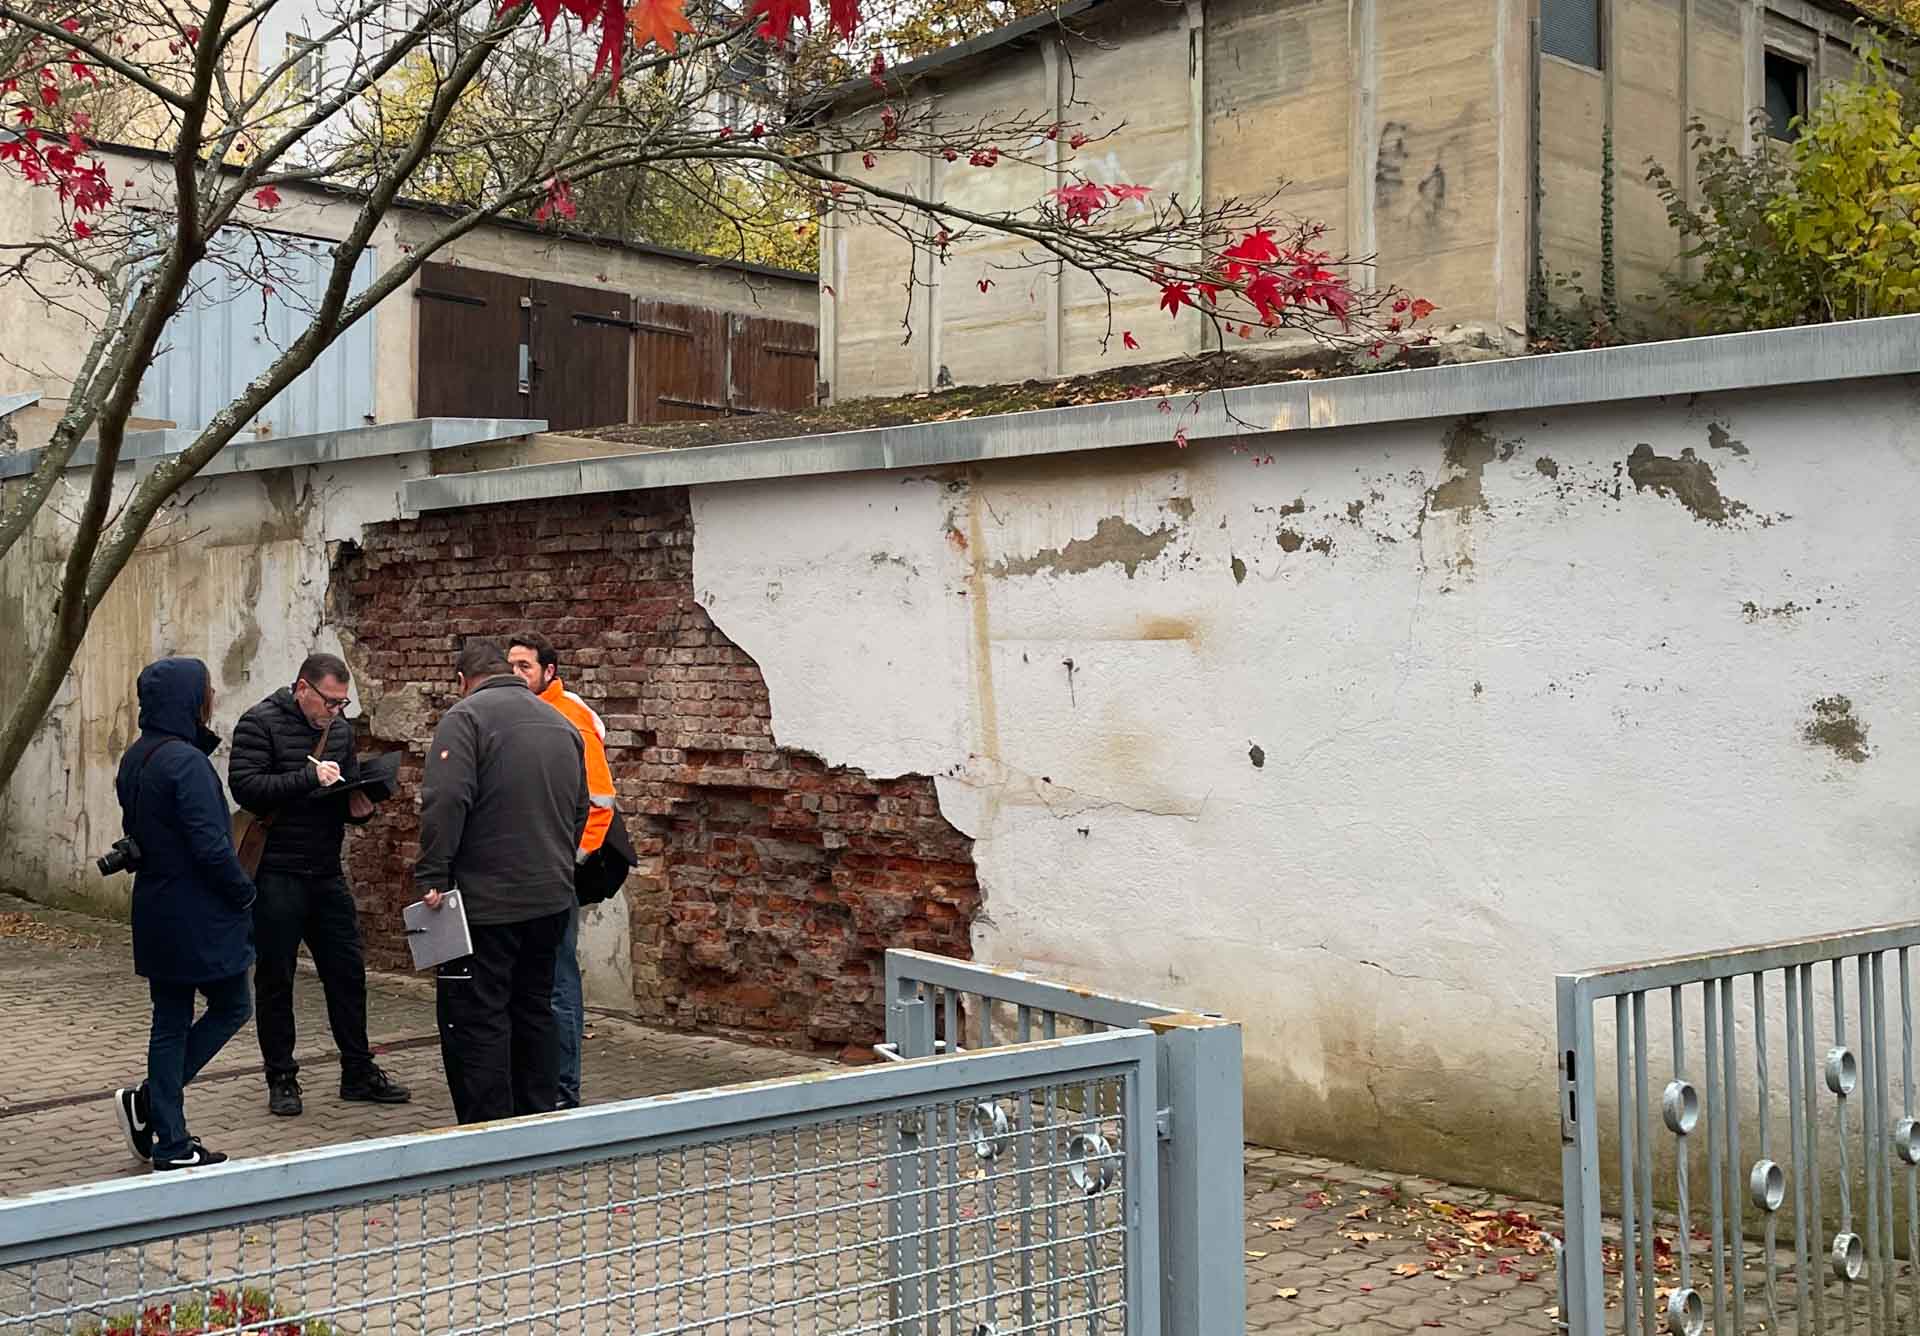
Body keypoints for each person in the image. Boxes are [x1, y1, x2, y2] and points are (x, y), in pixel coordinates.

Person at [229, 652, 410, 1116]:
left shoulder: (341, 730)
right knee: (276, 978)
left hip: (325, 869)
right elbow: (246, 788)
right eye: (329, 702)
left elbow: (336, 790)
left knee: (347, 972)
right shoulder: (259, 723)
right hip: (276, 872)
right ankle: (282, 1078)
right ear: (303, 688)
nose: (335, 712)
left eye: (342, 703)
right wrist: (307, 776)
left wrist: (357, 805)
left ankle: (358, 1069)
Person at [416, 638, 588, 1123]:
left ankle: (488, 1130)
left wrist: (433, 872)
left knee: (479, 1015)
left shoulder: (465, 719)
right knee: (534, 1007)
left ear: (462, 680)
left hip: (485, 903)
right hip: (551, 897)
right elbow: (579, 808)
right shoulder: (561, 723)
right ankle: (537, 1116)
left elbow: (445, 801)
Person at [110, 657, 256, 1171]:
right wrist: (243, 893)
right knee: (234, 1005)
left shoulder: (138, 757)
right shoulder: (187, 764)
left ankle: (168, 1136)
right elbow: (211, 847)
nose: (212, 696)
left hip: (156, 906)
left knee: (170, 1020)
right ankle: (157, 1109)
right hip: (197, 911)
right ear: (190, 700)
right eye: (207, 690)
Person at [506, 632, 616, 1110]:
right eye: (510, 665)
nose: (515, 674)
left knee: (557, 983)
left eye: (524, 666)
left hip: (555, 874)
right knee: (533, 983)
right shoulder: (515, 713)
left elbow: (600, 802)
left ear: (549, 671)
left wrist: (570, 861)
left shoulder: (569, 716)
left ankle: (563, 1092)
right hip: (525, 871)